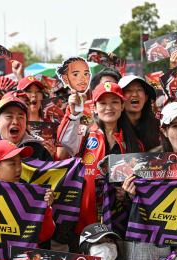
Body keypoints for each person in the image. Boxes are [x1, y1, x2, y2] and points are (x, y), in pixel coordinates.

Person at [58, 82, 143, 234]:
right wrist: (72, 114)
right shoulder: (84, 134)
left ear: (122, 106)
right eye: (103, 103)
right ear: (94, 108)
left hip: (121, 221)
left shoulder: (135, 144)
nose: (109, 107)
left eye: (115, 102)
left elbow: (141, 183)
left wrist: (128, 194)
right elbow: (64, 142)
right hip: (84, 218)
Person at [118, 75, 161, 151]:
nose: (135, 94)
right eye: (128, 90)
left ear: (146, 98)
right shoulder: (114, 128)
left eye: (139, 89)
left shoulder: (158, 126)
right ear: (120, 98)